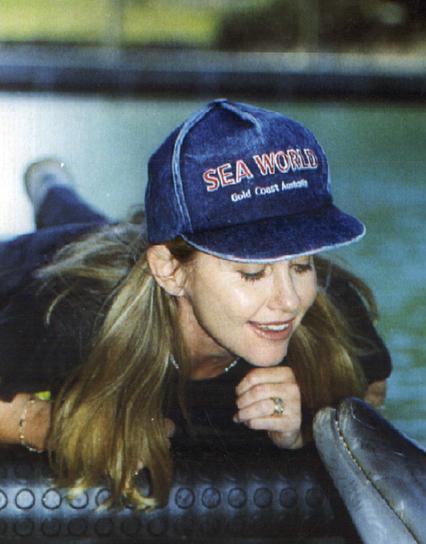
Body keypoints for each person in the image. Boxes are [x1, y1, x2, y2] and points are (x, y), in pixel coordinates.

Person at [0, 98, 391, 509]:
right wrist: (53, 425)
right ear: (170, 271)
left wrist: (312, 421)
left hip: (148, 246)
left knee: (110, 227)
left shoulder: (327, 306)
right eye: (252, 274)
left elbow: (371, 386)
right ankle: (49, 183)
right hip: (40, 263)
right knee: (73, 220)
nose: (289, 301)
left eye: (301, 263)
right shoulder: (69, 316)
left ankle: (53, 186)